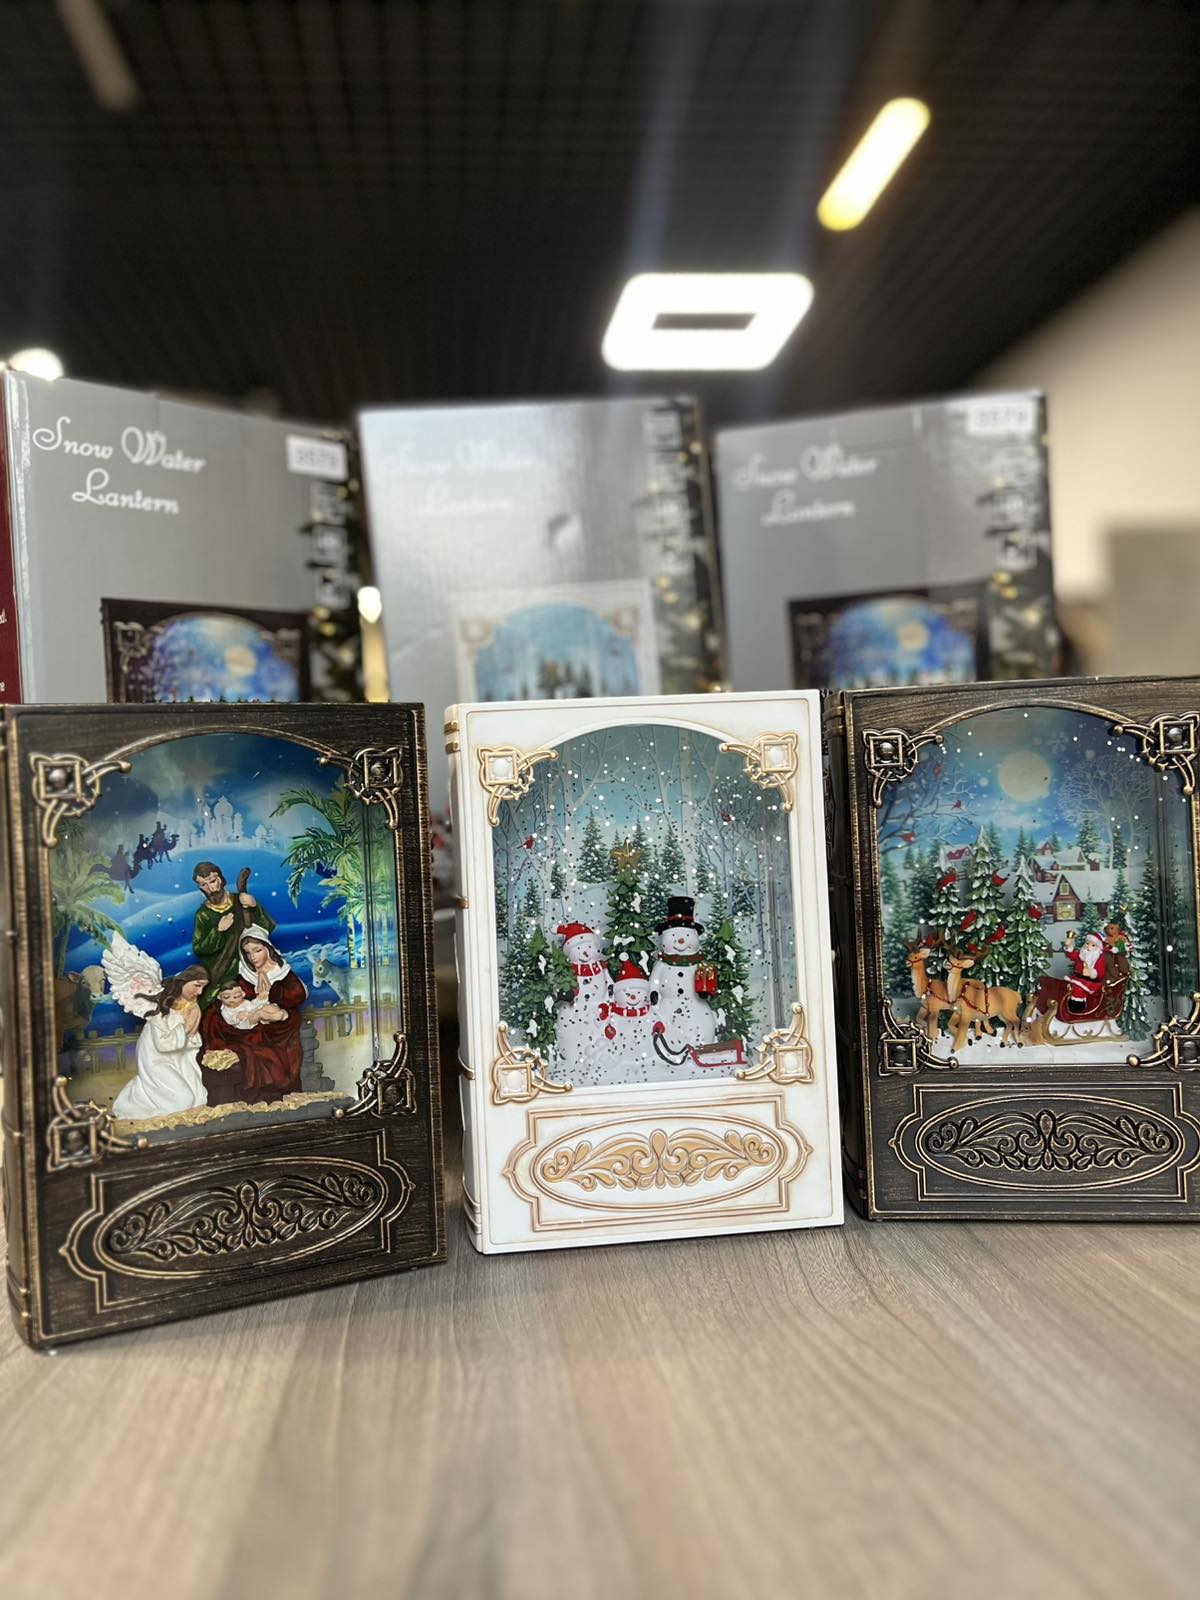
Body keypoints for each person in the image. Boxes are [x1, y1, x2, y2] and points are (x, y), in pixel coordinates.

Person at [200, 925, 307, 1102]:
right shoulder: (246, 973)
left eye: (257, 950)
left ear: (268, 949)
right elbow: (235, 996)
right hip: (248, 1016)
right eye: (247, 952)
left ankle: (272, 1086)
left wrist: (273, 992)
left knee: (269, 1029)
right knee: (214, 1015)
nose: (252, 957)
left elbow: (297, 995)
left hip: (278, 1023)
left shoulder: (282, 971)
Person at [111, 965, 209, 1121]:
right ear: (184, 981)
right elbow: (164, 1045)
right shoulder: (161, 1007)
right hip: (156, 1059)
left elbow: (192, 1042)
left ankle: (148, 1090)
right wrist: (184, 1026)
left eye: (203, 987)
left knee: (199, 1098)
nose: (200, 992)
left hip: (179, 1059)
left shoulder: (193, 1007)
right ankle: (135, 1096)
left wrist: (190, 1026)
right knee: (183, 1101)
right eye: (197, 985)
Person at [191, 860, 274, 1005]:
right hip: (224, 973)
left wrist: (255, 907)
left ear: (221, 879)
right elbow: (199, 949)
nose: (210, 888)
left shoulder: (240, 900)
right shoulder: (203, 915)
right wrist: (218, 932)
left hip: (251, 966)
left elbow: (266, 929)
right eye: (203, 885)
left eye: (212, 881)